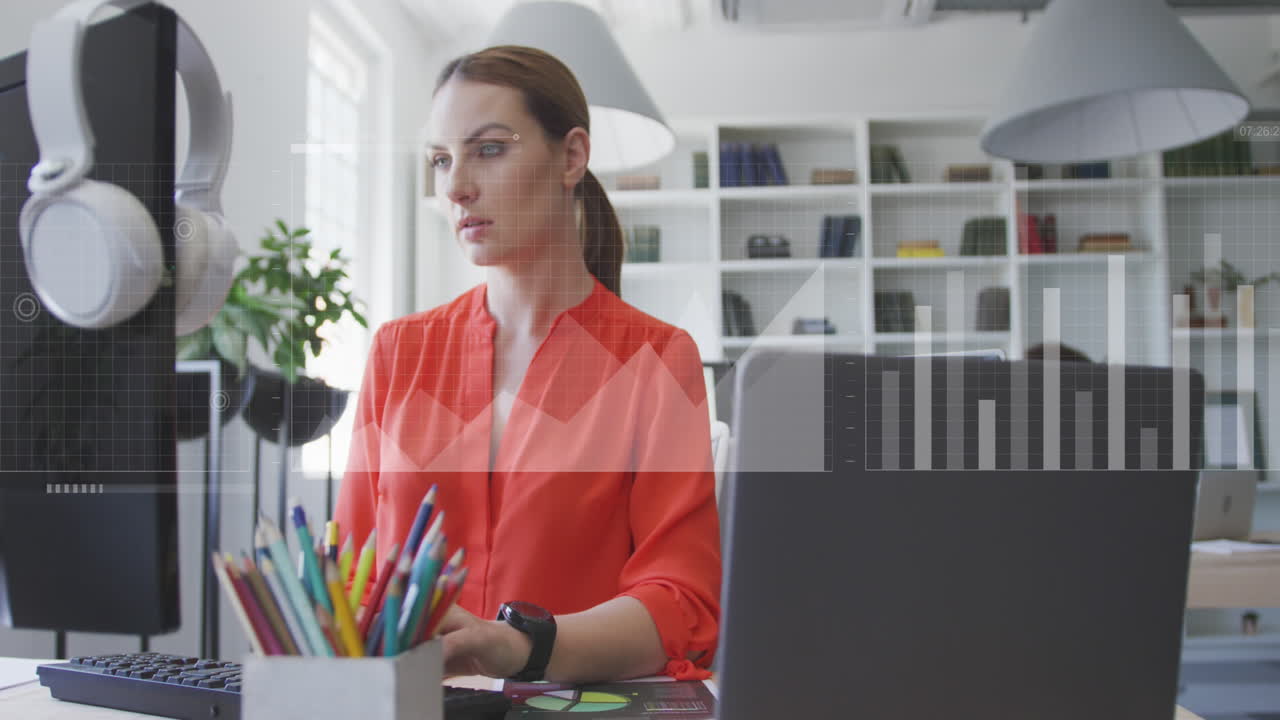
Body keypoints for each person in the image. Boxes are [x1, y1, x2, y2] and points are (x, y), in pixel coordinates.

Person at [333, 45, 720, 685]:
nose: (455, 185)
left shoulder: (656, 359)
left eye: (488, 149)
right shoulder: (398, 352)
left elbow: (682, 602)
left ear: (571, 157)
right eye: (440, 159)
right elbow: (350, 574)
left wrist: (521, 646)